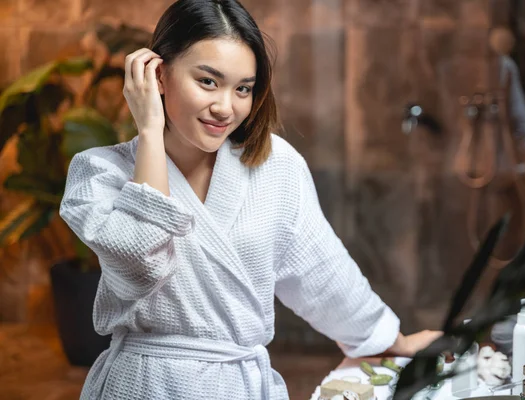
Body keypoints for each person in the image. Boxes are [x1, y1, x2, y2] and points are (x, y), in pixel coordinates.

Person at [59, 1, 441, 398]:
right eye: (208, 81)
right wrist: (151, 131)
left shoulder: (274, 167)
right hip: (142, 386)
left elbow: (320, 267)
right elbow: (141, 267)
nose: (226, 107)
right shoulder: (99, 173)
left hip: (239, 385)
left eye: (243, 88)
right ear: (159, 74)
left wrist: (386, 339)